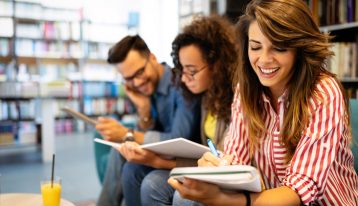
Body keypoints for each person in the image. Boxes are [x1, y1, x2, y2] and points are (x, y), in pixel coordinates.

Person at [168, 0, 358, 205]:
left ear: (299, 48)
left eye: (279, 48)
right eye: (255, 47)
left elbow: (298, 192)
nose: (264, 60)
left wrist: (222, 198)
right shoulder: (247, 89)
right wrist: (217, 167)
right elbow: (236, 159)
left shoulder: (323, 92)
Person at [117, 15, 239, 206]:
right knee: (134, 169)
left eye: (191, 70)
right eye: (182, 69)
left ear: (217, 65)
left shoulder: (235, 98)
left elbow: (221, 163)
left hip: (223, 173)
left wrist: (156, 161)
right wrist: (143, 111)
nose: (183, 78)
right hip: (203, 165)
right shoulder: (206, 95)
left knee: (164, 189)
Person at [96, 35, 201, 206]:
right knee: (125, 156)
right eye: (129, 79)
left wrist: (126, 133)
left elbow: (178, 139)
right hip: (165, 155)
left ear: (152, 58)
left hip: (186, 158)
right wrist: (144, 111)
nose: (136, 82)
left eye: (139, 72)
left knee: (131, 158)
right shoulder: (147, 90)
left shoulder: (181, 83)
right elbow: (145, 135)